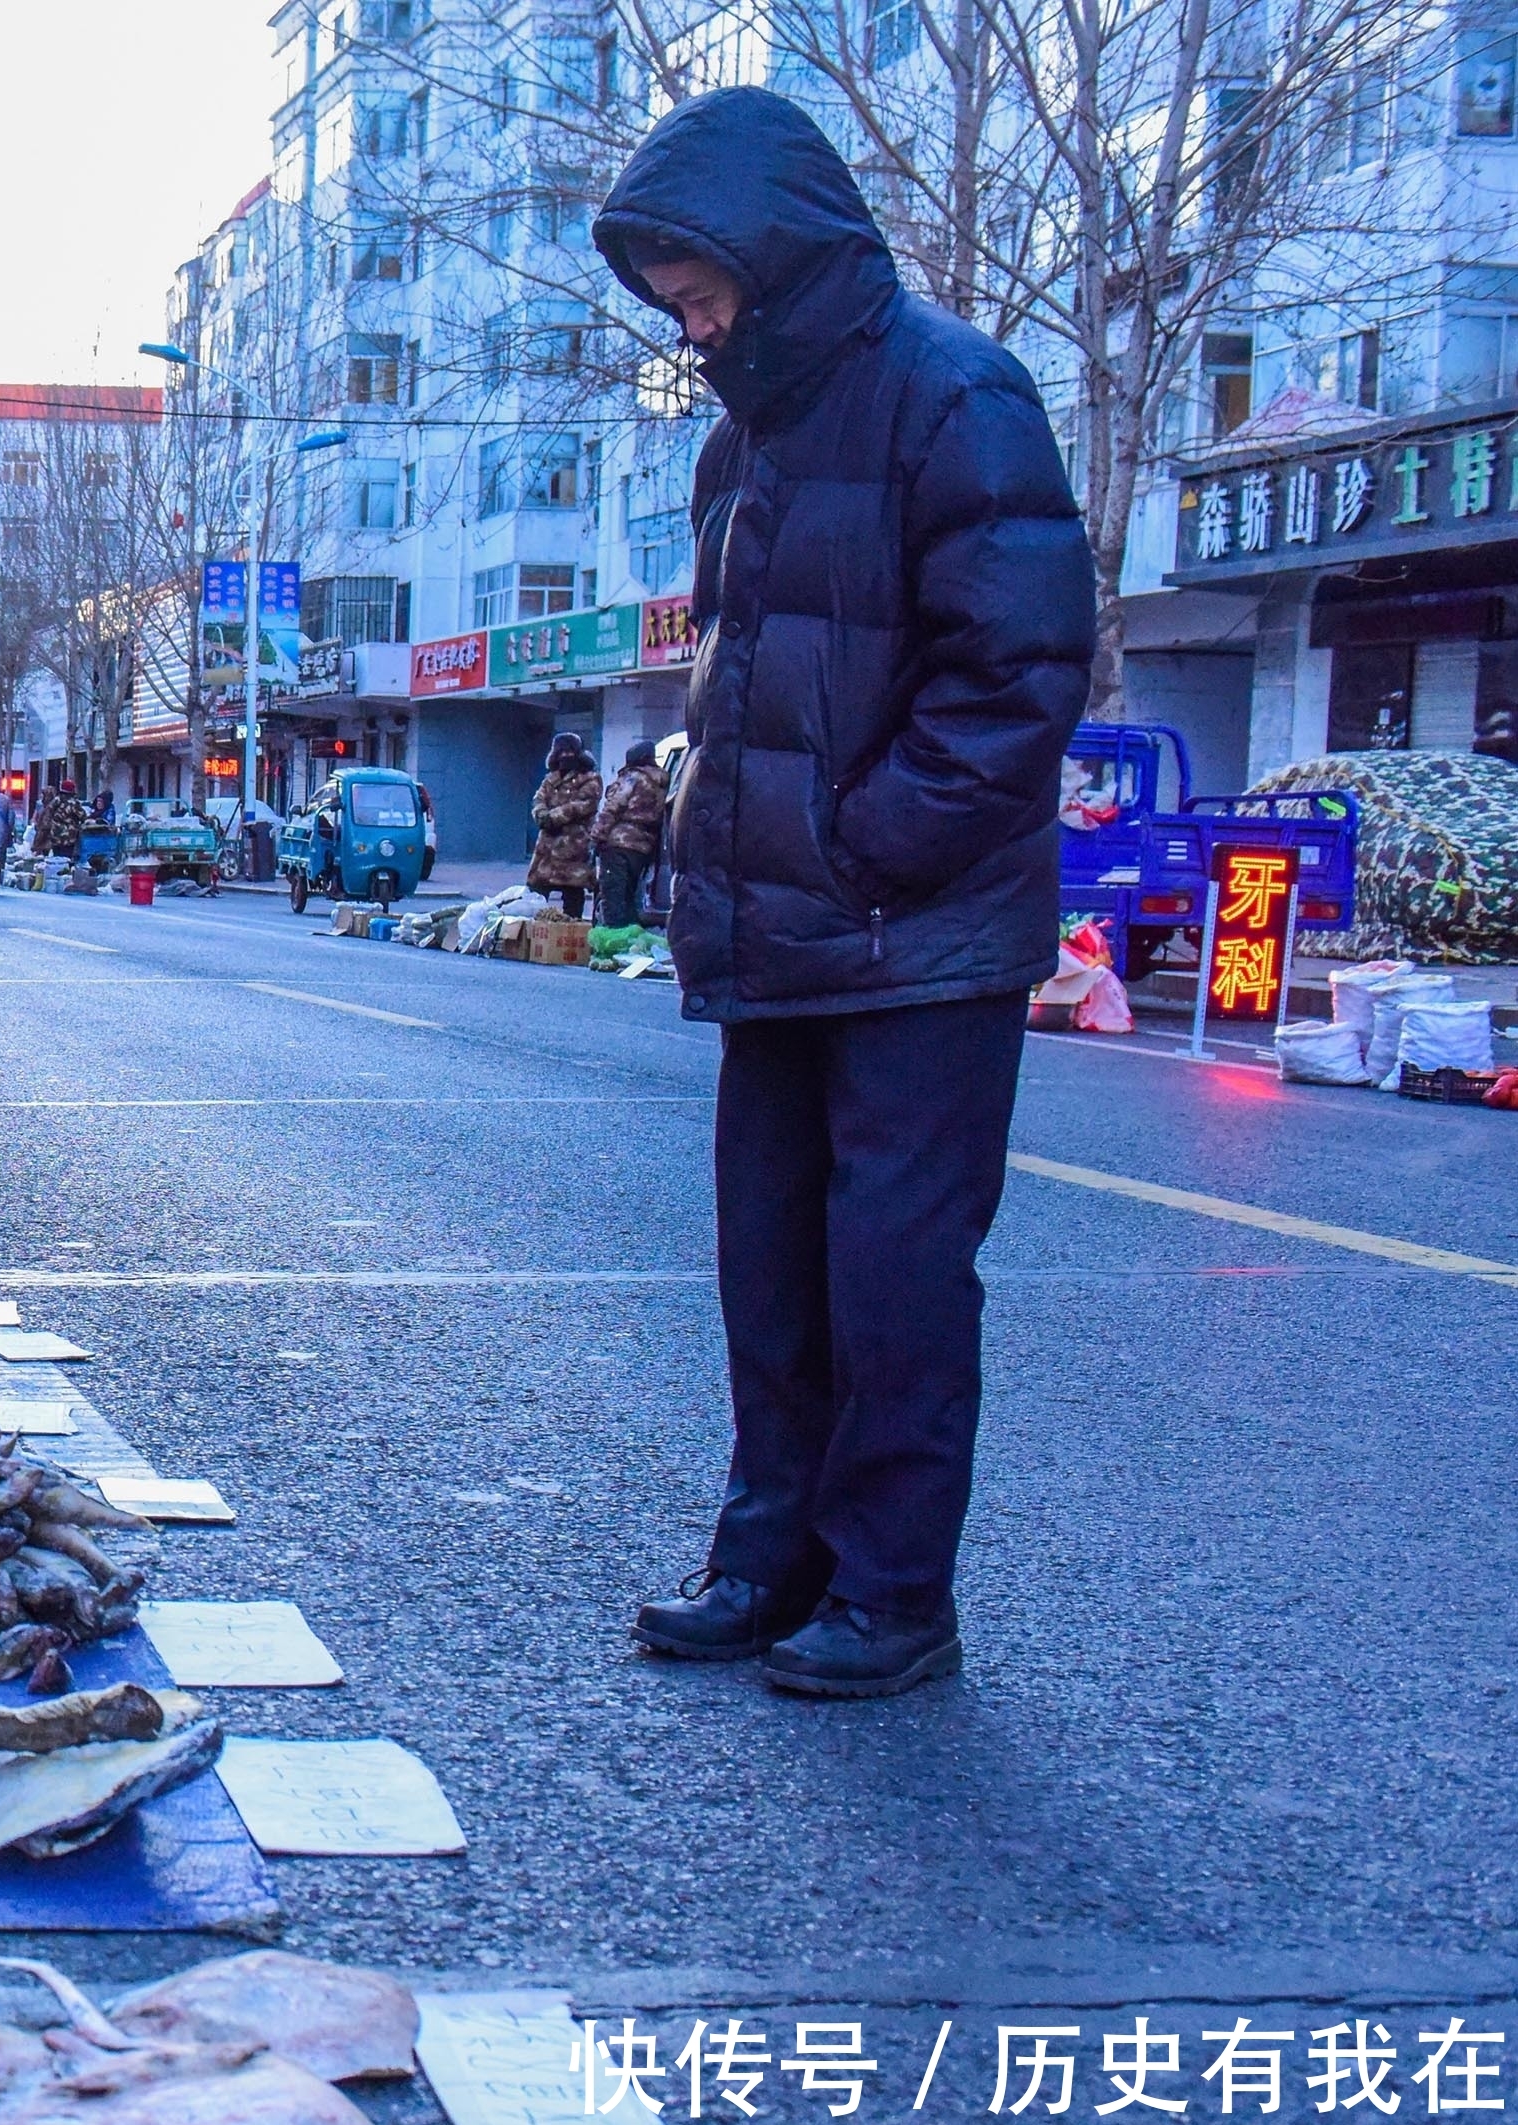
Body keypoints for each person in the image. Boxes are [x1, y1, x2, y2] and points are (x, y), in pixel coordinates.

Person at [596, 88, 1088, 1697]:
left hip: (917, 936)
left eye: (702, 289)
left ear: (779, 250)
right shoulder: (739, 441)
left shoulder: (955, 396)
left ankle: (892, 1593)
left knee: (890, 1280)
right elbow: (744, 682)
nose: (694, 322)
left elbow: (1012, 676)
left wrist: (867, 846)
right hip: (782, 934)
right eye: (673, 302)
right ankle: (769, 1556)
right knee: (771, 1269)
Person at [591, 740, 670, 929]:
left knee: (613, 899)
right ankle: (630, 944)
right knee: (630, 899)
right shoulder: (662, 782)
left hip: (618, 844)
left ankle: (612, 945)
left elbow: (612, 808)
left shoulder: (633, 778)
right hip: (643, 848)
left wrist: (596, 838)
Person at [527, 733, 602, 920]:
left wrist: (553, 817)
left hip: (574, 849)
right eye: (561, 752)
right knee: (535, 895)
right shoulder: (550, 779)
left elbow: (583, 805)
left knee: (573, 896)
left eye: (570, 752)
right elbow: (538, 800)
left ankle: (571, 935)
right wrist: (541, 815)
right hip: (547, 850)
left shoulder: (590, 779)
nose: (565, 756)